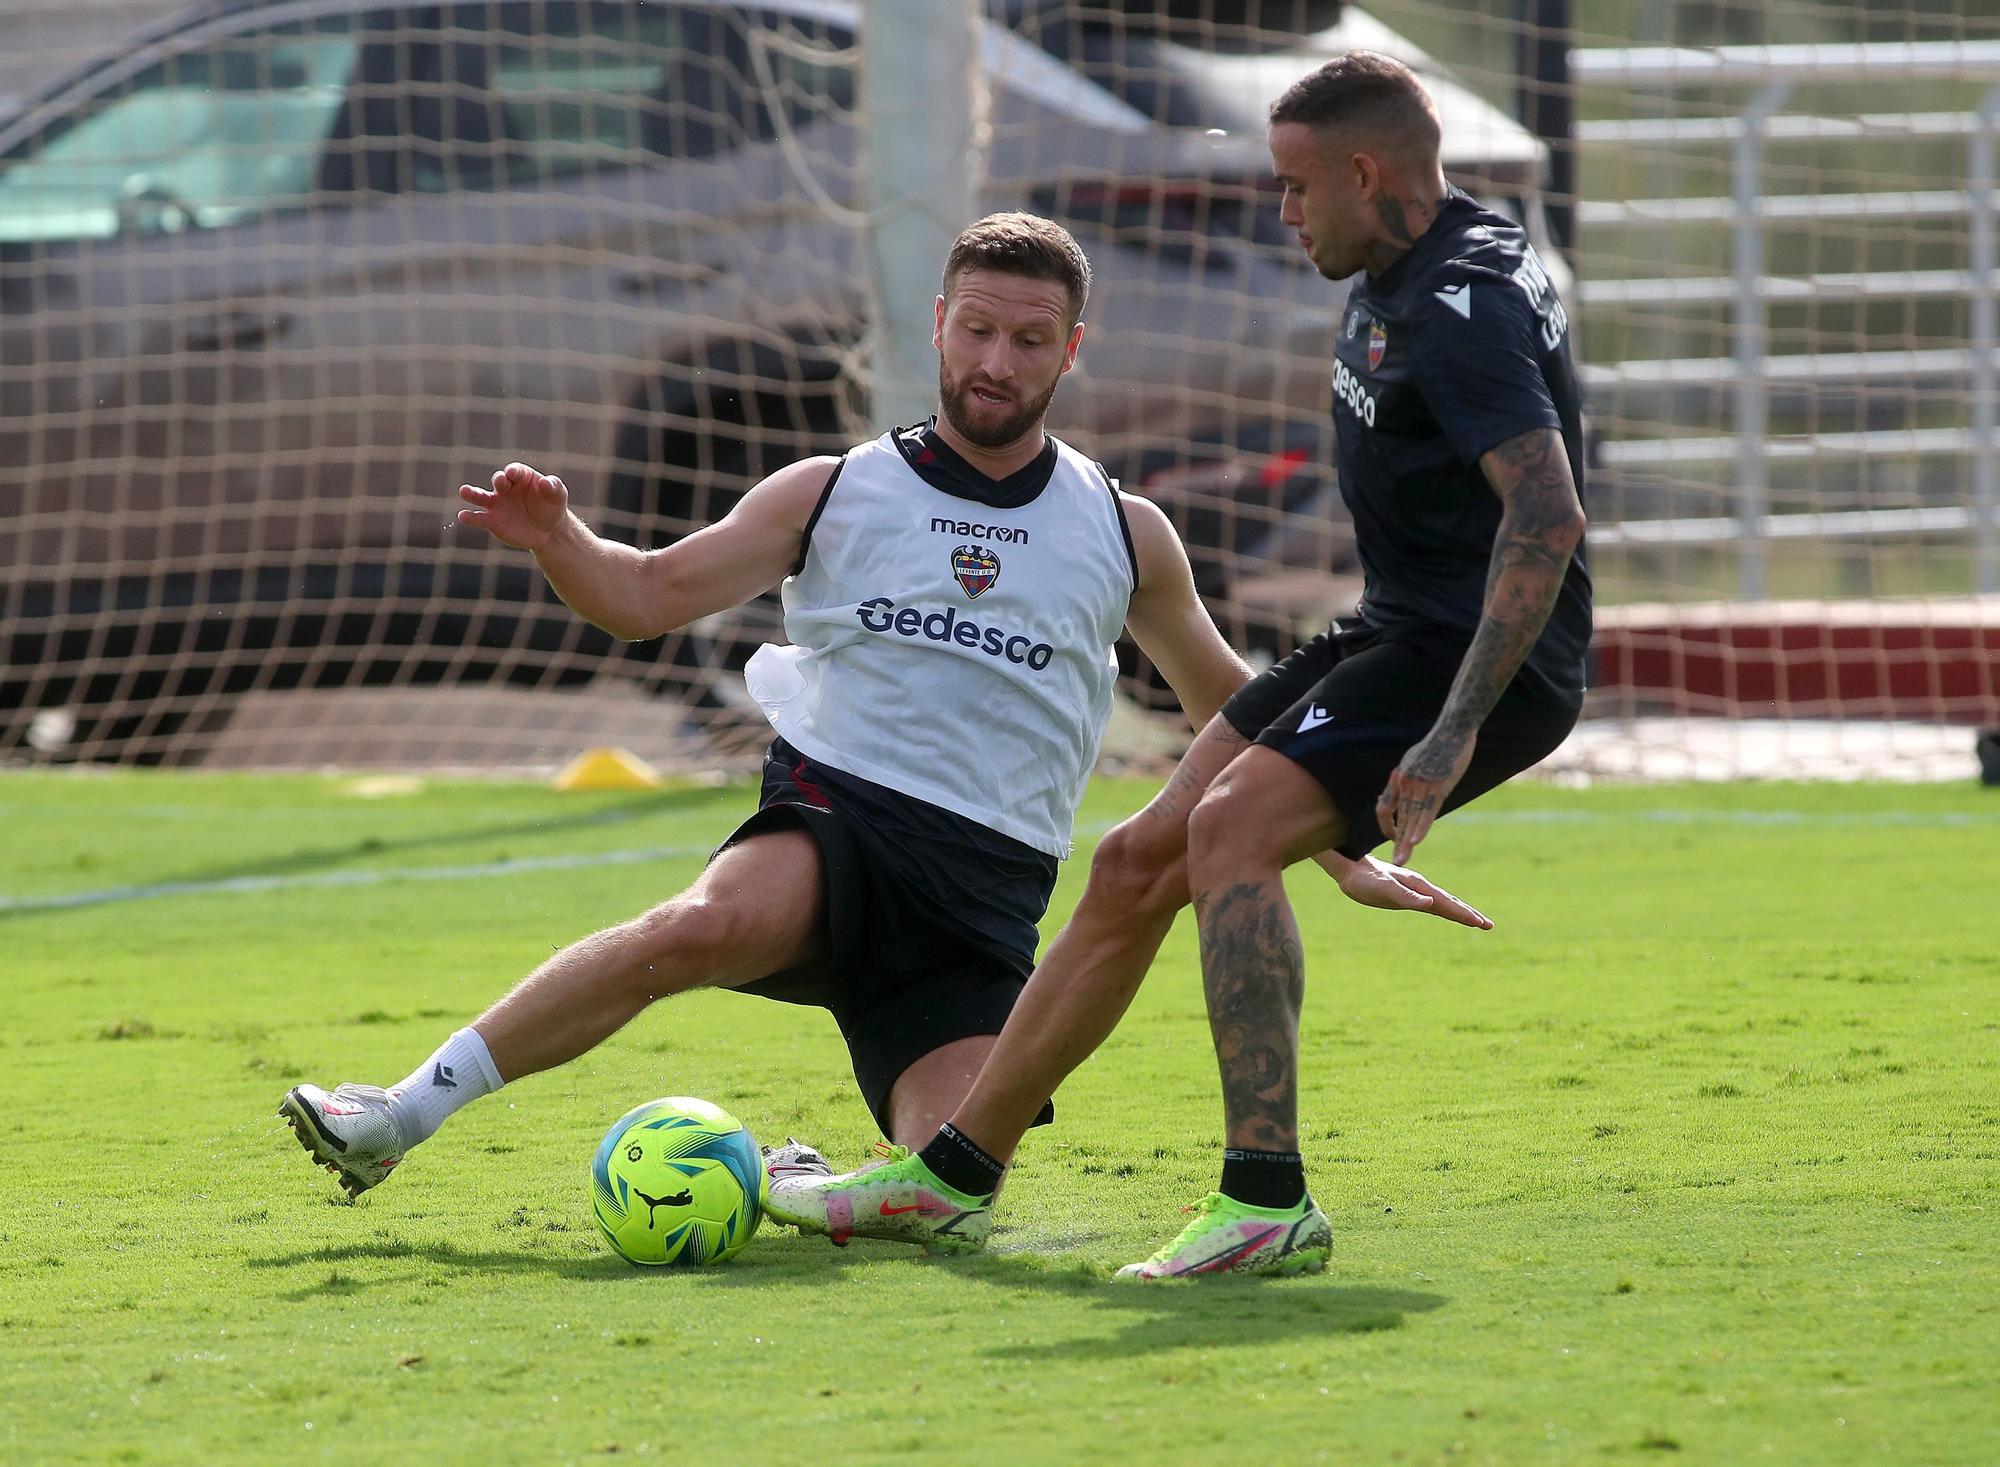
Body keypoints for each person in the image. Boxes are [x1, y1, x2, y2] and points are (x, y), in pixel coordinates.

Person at [278, 211, 1483, 1202]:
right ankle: (396, 1115)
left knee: (943, 1188)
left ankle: (784, 1181)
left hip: (987, 898)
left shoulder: (1125, 532)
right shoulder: (832, 489)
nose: (995, 363)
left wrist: (1336, 849)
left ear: (1071, 351)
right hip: (841, 815)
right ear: (936, 331)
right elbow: (641, 601)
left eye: (1027, 339)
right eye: (975, 332)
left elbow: (1234, 708)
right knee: (696, 928)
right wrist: (560, 540)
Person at [764, 52, 1592, 1278]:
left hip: (1466, 656)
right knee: (1138, 855)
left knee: (1228, 837)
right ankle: (947, 1178)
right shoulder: (1412, 257)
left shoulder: (1452, 312)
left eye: (1296, 187)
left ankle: (1264, 1197)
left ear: (1365, 174)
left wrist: (1450, 730)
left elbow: (1546, 520)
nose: (1282, 212)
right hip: (1389, 628)